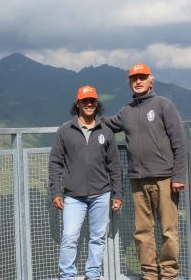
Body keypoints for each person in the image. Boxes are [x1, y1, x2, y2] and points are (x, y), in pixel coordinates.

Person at [102, 63, 188, 280]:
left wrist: (178, 176)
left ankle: (169, 275)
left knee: (169, 231)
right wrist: (87, 117)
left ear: (151, 81)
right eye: (134, 78)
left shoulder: (163, 105)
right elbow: (110, 123)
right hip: (137, 180)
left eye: (142, 77)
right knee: (142, 231)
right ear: (130, 82)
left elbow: (179, 142)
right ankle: (149, 275)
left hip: (165, 178)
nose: (138, 81)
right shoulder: (127, 111)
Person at [49, 85, 123, 280]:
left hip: (102, 193)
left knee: (97, 238)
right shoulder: (65, 130)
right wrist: (56, 191)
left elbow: (114, 165)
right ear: (78, 104)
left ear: (97, 104)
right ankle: (67, 276)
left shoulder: (106, 131)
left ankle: (93, 275)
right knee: (70, 237)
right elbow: (55, 162)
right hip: (73, 196)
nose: (89, 104)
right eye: (85, 101)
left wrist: (117, 194)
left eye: (92, 101)